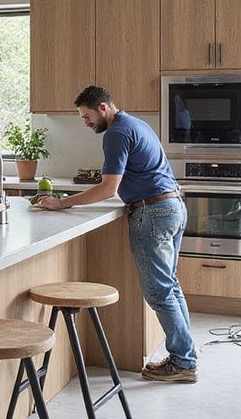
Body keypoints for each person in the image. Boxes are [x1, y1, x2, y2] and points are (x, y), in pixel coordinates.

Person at [38, 85, 197, 383]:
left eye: (86, 116)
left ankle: (184, 362)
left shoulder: (116, 133)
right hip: (172, 206)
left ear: (102, 108)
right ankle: (185, 356)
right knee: (170, 288)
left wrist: (62, 203)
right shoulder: (135, 124)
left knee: (160, 293)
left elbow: (109, 187)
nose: (85, 123)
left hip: (153, 213)